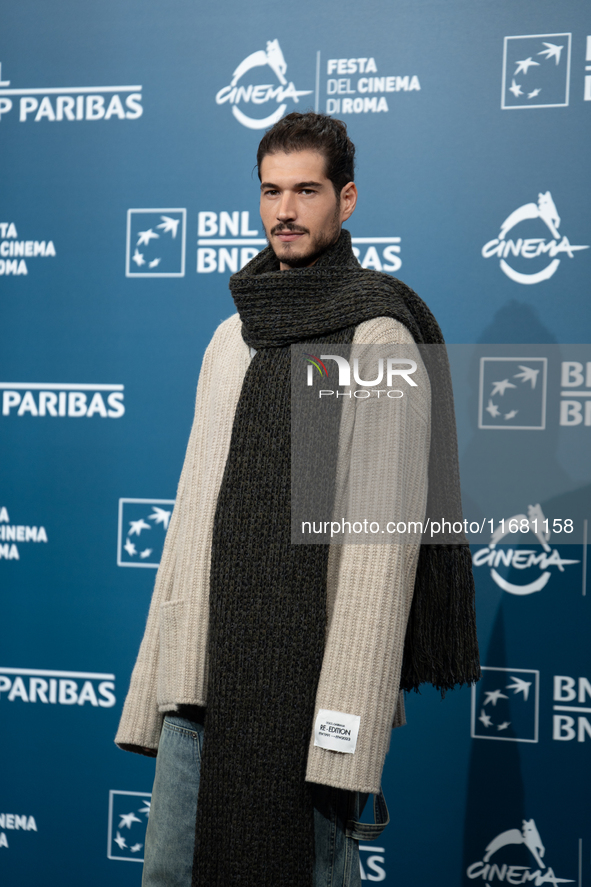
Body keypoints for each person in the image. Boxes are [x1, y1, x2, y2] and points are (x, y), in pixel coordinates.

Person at [115, 112, 479, 887]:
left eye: (306, 190)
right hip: (197, 686)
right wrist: (156, 686)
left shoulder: (371, 340)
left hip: (303, 698)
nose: (284, 210)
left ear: (345, 200)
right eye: (271, 191)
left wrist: (341, 733)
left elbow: (375, 557)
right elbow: (192, 525)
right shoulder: (231, 337)